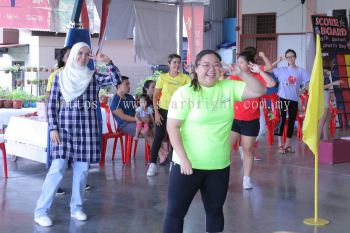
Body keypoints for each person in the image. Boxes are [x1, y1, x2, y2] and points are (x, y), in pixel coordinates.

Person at [163, 50, 265, 233]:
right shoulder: (184, 93)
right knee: (175, 213)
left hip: (218, 166)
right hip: (187, 166)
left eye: (216, 64)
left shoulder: (228, 87)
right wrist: (184, 159)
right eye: (206, 65)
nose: (211, 69)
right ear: (195, 68)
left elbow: (259, 90)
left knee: (215, 212)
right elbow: (173, 128)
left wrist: (241, 73)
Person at [34, 42, 121, 227]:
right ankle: (41, 211)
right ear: (73, 55)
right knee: (57, 168)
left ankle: (76, 208)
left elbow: (116, 81)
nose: (83, 57)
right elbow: (51, 104)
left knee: (81, 172)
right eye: (79, 53)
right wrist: (53, 128)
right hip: (63, 130)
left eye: (86, 54)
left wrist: (109, 62)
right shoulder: (60, 77)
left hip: (87, 130)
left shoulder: (93, 77)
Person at [230, 51, 276, 190]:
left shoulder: (257, 77)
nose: (238, 65)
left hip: (251, 119)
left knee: (248, 150)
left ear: (249, 64)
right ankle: (222, 177)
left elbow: (271, 83)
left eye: (241, 62)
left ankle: (246, 178)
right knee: (225, 149)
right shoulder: (234, 77)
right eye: (237, 62)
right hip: (233, 119)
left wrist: (259, 71)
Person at [147, 54, 191, 176]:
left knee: (175, 137)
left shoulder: (185, 78)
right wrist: (156, 112)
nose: (177, 65)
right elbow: (155, 96)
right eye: (174, 62)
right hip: (163, 110)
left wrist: (191, 72)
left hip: (178, 111)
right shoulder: (163, 78)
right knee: (159, 136)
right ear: (169, 64)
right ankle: (152, 164)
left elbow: (194, 88)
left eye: (179, 62)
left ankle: (173, 162)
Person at [273, 49, 310, 154]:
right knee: (283, 119)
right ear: (286, 58)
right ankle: (280, 144)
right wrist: (278, 60)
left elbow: (308, 83)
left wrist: (302, 90)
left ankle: (287, 144)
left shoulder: (301, 71)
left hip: (294, 99)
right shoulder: (281, 69)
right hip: (282, 97)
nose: (290, 58)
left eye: (292, 56)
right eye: (288, 57)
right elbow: (269, 69)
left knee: (291, 121)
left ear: (295, 57)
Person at [318, 56, 342, 140]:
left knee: (327, 119)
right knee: (322, 120)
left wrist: (331, 93)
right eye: (332, 62)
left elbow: (326, 87)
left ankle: (325, 139)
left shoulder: (326, 73)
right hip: (322, 96)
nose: (333, 64)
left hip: (326, 95)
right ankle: (316, 142)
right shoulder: (322, 73)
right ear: (327, 63)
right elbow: (321, 86)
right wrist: (334, 83)